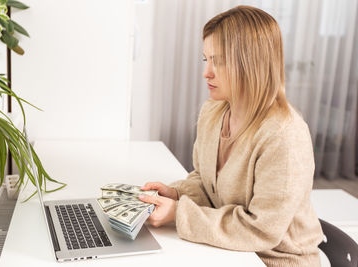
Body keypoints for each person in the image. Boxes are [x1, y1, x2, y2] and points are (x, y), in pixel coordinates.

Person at [138, 5, 324, 267]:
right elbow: (206, 181)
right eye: (206, 59)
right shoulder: (213, 111)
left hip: (274, 260)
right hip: (230, 252)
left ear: (252, 63)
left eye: (220, 61)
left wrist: (179, 214)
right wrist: (177, 193)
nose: (207, 72)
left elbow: (262, 230)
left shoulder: (284, 135)